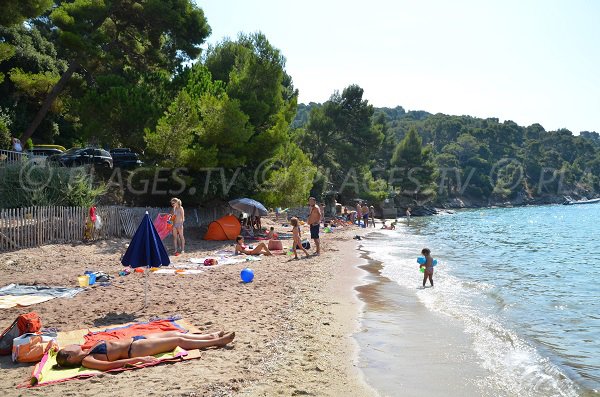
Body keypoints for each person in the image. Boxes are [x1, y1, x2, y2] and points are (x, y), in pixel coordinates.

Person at [55, 331, 235, 371]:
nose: (71, 345)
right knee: (178, 341)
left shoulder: (86, 351)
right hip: (135, 349)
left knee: (174, 333)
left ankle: (210, 336)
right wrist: (136, 361)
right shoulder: (87, 360)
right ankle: (218, 342)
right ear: (70, 357)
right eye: (69, 348)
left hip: (137, 340)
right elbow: (108, 366)